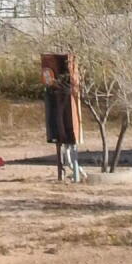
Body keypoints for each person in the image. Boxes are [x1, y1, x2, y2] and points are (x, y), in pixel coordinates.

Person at [42, 53, 83, 183]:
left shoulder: (65, 91)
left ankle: (74, 171)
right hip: (60, 128)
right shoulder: (52, 95)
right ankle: (69, 170)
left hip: (68, 127)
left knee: (71, 147)